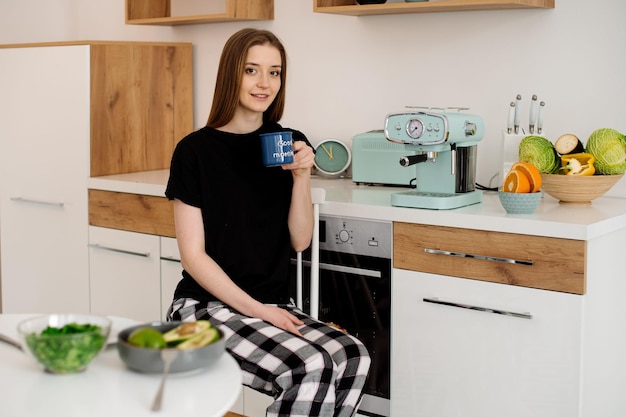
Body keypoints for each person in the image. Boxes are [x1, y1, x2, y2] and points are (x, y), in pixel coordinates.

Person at [165, 28, 371, 417]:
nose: (265, 83)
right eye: (252, 71)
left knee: (352, 354)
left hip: (270, 303)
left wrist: (302, 176)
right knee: (312, 365)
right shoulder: (194, 151)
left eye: (274, 72)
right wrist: (260, 310)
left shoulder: (287, 142)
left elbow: (299, 239)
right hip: (205, 308)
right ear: (231, 75)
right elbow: (192, 257)